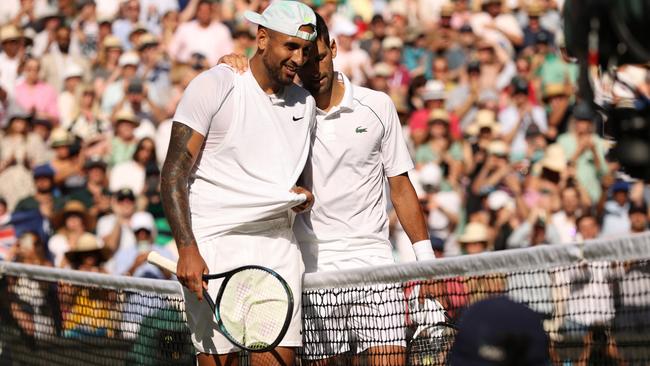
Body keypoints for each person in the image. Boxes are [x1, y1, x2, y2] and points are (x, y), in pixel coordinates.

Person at [160, 2, 317, 365]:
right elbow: (173, 173)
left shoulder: (304, 104)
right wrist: (187, 249)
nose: (299, 58)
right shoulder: (215, 85)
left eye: (305, 50)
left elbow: (282, 173)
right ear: (262, 39)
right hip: (214, 248)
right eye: (290, 47)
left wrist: (302, 195)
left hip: (278, 248)